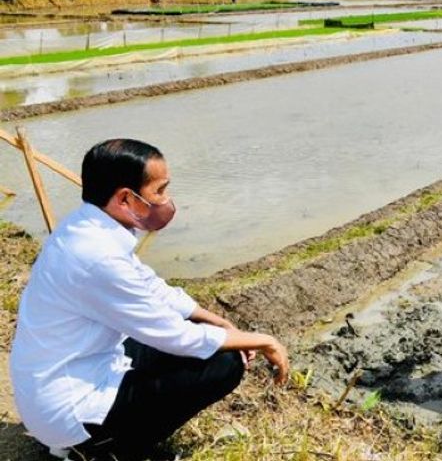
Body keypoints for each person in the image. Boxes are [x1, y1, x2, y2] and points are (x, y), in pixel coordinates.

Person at [10, 139, 290, 461]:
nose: (166, 201)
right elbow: (177, 337)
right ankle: (106, 450)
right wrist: (263, 340)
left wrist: (213, 319)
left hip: (62, 378)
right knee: (222, 363)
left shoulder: (84, 226)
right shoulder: (98, 257)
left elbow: (149, 285)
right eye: (159, 191)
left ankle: (99, 437)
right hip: (68, 409)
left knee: (207, 336)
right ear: (126, 198)